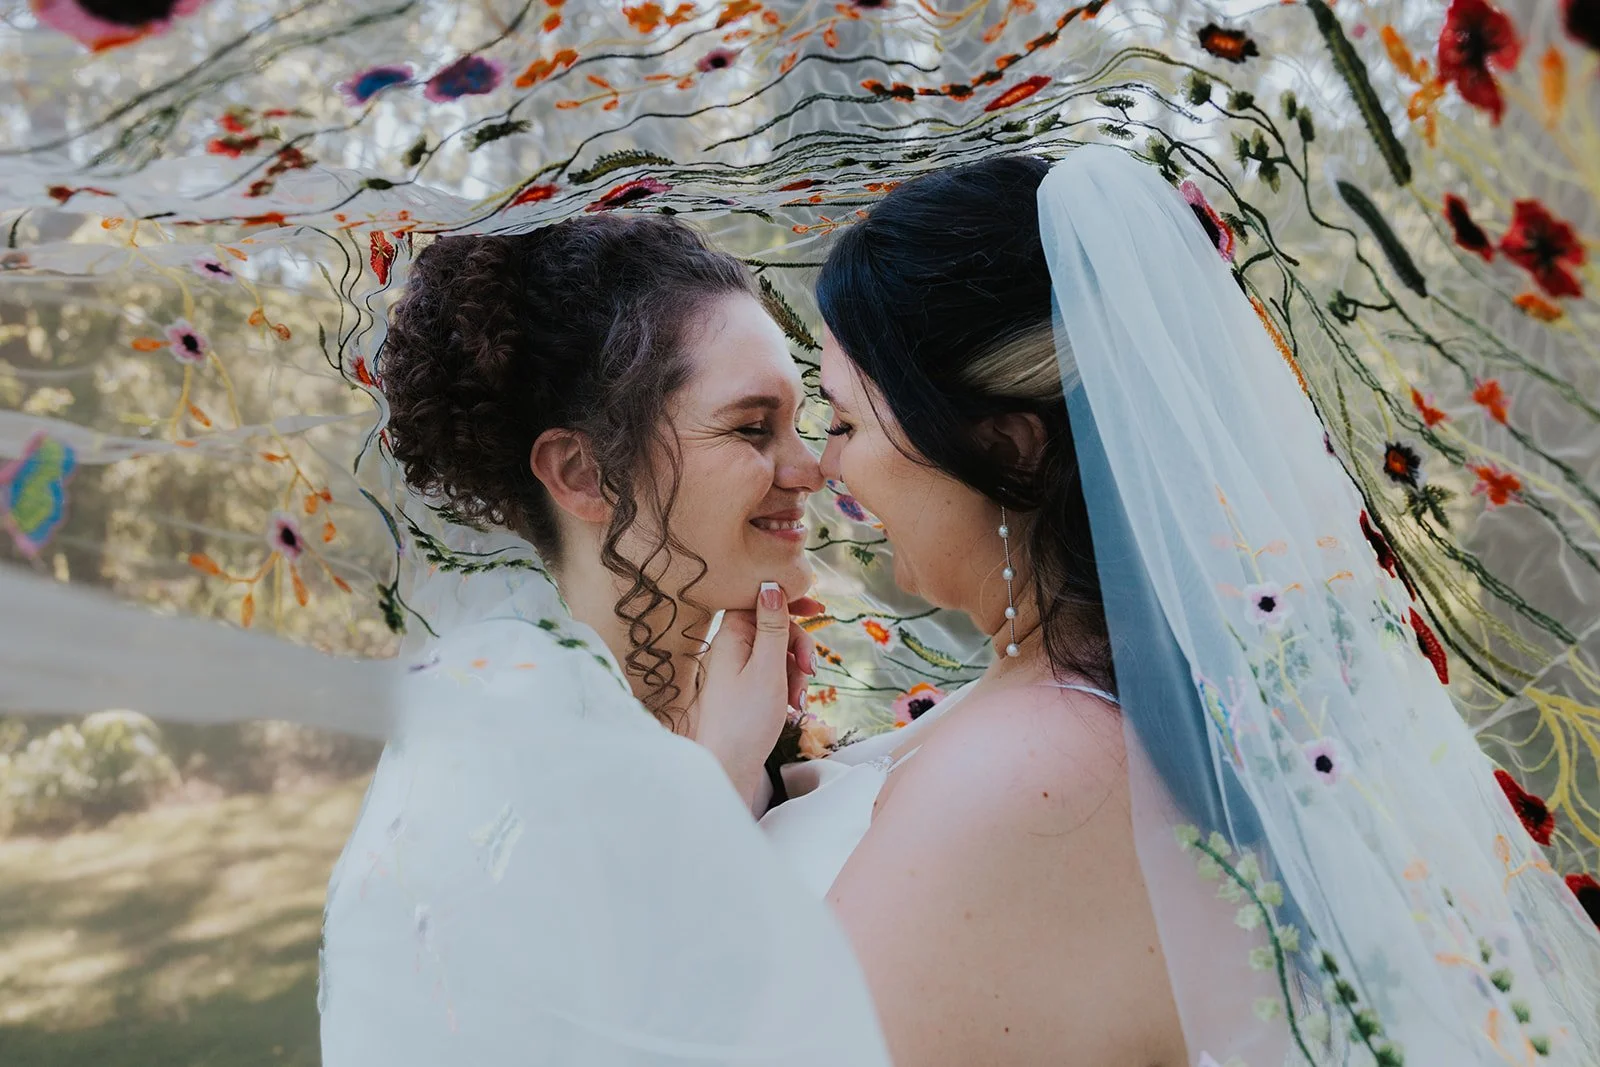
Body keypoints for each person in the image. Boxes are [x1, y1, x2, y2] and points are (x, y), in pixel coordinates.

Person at [759, 148, 1600, 1065]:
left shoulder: (1029, 774)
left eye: (843, 421)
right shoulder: (1111, 704)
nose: (821, 466)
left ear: (1011, 450)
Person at [317, 213, 893, 1065]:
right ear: (582, 474)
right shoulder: (501, 763)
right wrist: (719, 782)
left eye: (801, 421)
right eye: (750, 426)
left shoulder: (742, 709)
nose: (808, 467)